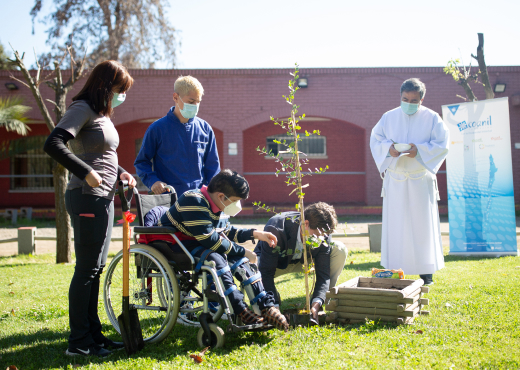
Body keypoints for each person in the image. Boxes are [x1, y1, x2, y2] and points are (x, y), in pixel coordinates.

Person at [43, 60, 136, 357]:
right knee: (86, 270)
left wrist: (121, 172)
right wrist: (85, 172)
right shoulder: (81, 108)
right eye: (119, 90)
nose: (121, 96)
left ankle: (94, 336)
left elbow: (103, 154)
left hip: (104, 197)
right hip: (86, 196)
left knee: (95, 269)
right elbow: (54, 143)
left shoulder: (100, 114)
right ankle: (79, 342)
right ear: (105, 86)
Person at [151, 169, 289, 330]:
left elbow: (226, 231)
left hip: (197, 242)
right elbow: (212, 241)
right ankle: (241, 309)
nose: (237, 205)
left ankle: (265, 306)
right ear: (222, 196)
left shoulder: (215, 204)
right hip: (175, 244)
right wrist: (244, 251)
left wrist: (256, 234)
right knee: (217, 259)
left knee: (238, 260)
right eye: (236, 200)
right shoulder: (193, 200)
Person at [370, 78, 449, 285]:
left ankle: (426, 273)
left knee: (422, 225)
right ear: (400, 96)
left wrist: (419, 151)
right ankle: (394, 270)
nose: (409, 103)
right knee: (396, 225)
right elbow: (376, 139)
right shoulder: (389, 117)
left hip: (420, 179)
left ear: (422, 99)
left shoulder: (432, 118)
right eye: (405, 99)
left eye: (414, 100)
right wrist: (389, 148)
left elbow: (442, 144)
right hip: (396, 180)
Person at [255, 203, 347, 324]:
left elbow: (323, 274)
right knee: (252, 266)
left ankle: (322, 302)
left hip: (304, 262)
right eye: (317, 235)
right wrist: (274, 306)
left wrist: (316, 303)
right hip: (274, 263)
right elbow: (266, 272)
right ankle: (270, 297)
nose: (321, 239)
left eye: (324, 236)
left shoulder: (323, 232)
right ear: (306, 224)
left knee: (339, 249)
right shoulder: (276, 228)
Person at [134, 75, 220, 196]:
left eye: (198, 102)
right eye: (191, 101)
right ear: (175, 97)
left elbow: (213, 167)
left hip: (199, 200)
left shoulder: (205, 129)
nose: (195, 105)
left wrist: (213, 193)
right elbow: (142, 162)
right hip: (168, 200)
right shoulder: (157, 129)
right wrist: (153, 181)